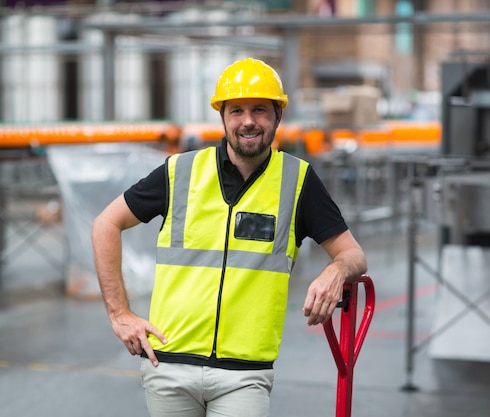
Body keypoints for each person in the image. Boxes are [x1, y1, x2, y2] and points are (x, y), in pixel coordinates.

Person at [91, 57, 368, 417]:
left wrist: (336, 271)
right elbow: (105, 225)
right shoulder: (181, 171)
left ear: (277, 117)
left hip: (244, 374)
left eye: (260, 110)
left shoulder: (298, 181)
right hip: (168, 365)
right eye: (236, 110)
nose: (248, 120)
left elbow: (353, 254)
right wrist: (119, 314)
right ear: (222, 117)